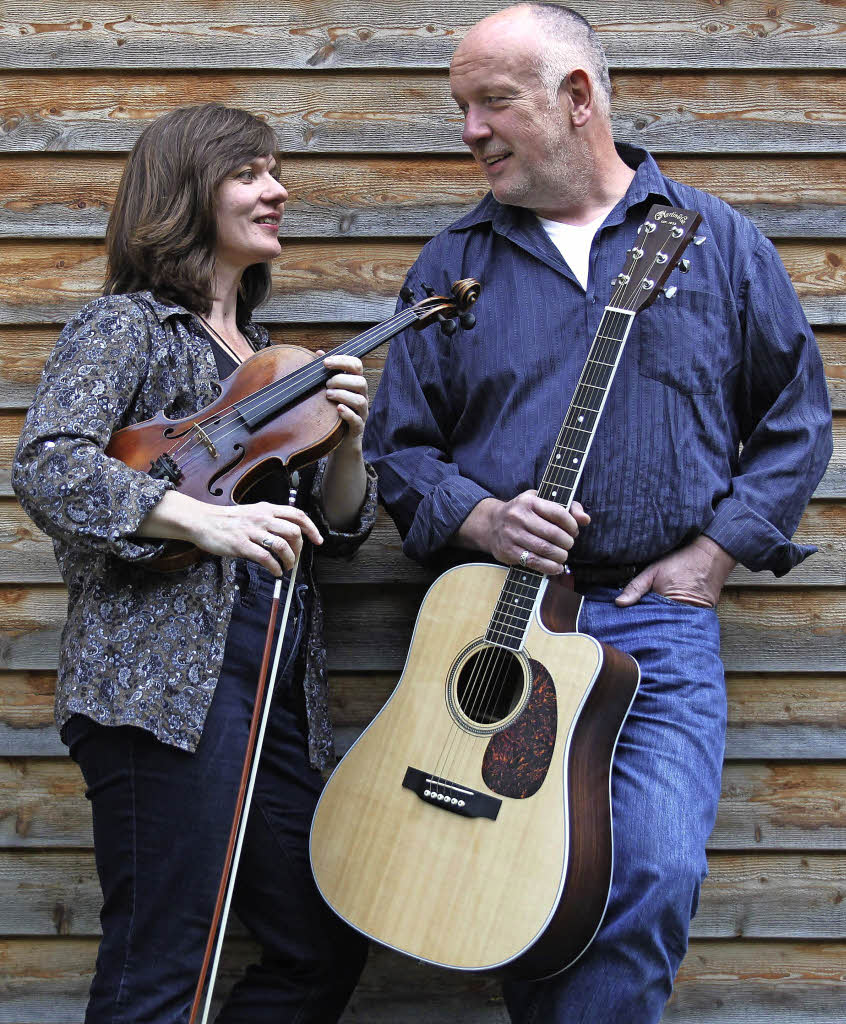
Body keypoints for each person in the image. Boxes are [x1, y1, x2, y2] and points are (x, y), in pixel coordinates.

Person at [363, 5, 832, 1022]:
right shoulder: (455, 266)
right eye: (460, 106)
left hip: (654, 625)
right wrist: (480, 518)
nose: (469, 129)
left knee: (653, 872)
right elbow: (396, 447)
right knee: (518, 891)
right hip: (505, 628)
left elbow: (796, 420)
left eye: (492, 101)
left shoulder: (720, 244)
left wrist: (716, 552)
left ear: (578, 99)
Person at [13, 103, 374, 1023]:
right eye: (250, 172)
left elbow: (336, 528)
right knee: (161, 967)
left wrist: (345, 448)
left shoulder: (265, 361)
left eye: (276, 170)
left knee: (319, 947)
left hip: (272, 695)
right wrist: (199, 522)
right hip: (159, 696)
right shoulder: (125, 326)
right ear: (187, 190)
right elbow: (49, 467)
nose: (277, 189)